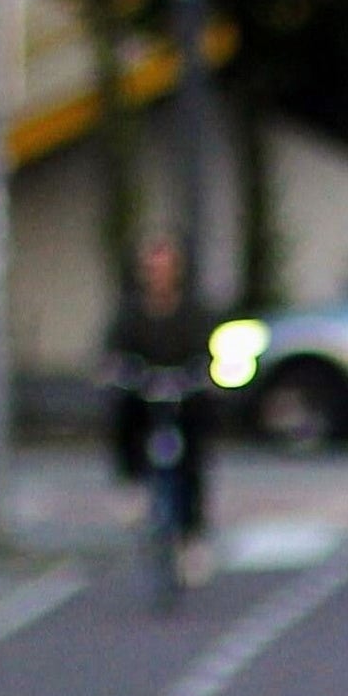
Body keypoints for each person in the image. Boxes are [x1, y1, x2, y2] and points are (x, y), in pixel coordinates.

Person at [103, 234, 214, 555]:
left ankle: (193, 535)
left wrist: (202, 376)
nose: (158, 275)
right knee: (124, 413)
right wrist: (121, 372)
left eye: (164, 268)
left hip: (183, 393)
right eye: (152, 268)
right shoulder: (131, 313)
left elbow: (205, 353)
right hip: (144, 392)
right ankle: (131, 481)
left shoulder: (192, 312)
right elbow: (114, 352)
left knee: (195, 447)